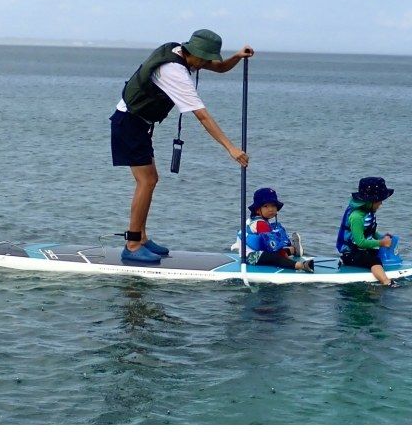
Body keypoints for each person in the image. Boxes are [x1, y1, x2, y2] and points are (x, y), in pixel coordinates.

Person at [111, 29, 253, 263]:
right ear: (195, 53)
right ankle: (133, 243)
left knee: (150, 179)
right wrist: (231, 148)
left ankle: (142, 238)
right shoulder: (174, 71)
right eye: (205, 59)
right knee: (146, 181)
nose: (207, 63)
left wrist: (237, 56)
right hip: (129, 123)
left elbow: (218, 67)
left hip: (138, 123)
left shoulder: (179, 51)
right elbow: (203, 116)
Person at [335, 177, 400, 287]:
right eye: (380, 201)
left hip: (361, 251)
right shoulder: (356, 217)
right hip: (351, 253)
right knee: (373, 260)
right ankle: (386, 282)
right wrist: (381, 243)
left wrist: (382, 237)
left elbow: (371, 232)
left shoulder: (367, 213)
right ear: (371, 201)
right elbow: (360, 242)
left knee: (375, 252)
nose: (381, 204)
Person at [239, 187, 314, 273]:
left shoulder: (260, 220)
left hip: (259, 251)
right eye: (266, 206)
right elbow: (272, 248)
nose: (271, 209)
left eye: (273, 205)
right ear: (258, 210)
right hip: (250, 257)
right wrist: (286, 259)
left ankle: (294, 250)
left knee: (275, 252)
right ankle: (301, 265)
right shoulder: (261, 224)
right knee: (274, 256)